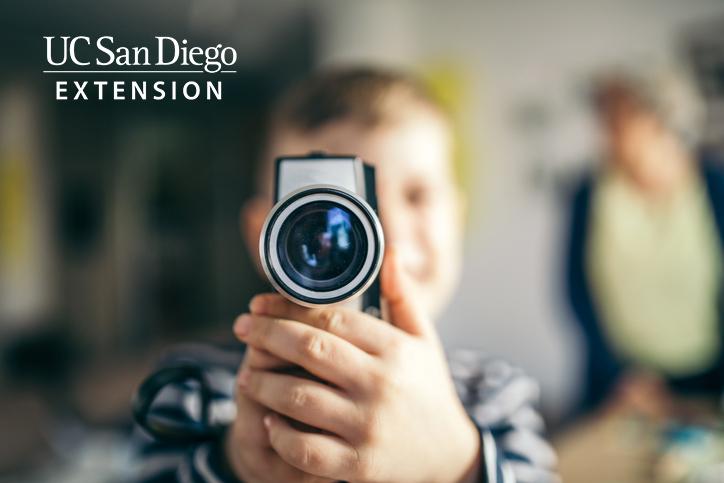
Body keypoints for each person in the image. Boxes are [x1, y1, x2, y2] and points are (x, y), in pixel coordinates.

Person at [133, 67, 558, 483]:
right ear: (263, 236)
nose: (385, 228)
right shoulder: (191, 386)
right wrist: (236, 467)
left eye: (417, 195)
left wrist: (457, 464)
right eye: (334, 206)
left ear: (457, 218)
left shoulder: (495, 394)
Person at [565, 62, 724, 416]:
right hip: (620, 385)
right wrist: (620, 374)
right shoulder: (588, 192)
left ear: (658, 121)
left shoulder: (714, 185)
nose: (604, 133)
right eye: (602, 120)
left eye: (616, 120)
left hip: (707, 379)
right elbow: (575, 289)